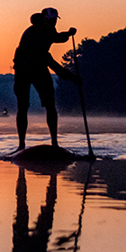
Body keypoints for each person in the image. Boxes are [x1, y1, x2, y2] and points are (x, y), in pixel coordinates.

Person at [13, 8, 80, 151]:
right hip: (24, 68)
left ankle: (54, 143)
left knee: (50, 105)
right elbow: (48, 60)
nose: (54, 23)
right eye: (51, 20)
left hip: (39, 66)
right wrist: (70, 77)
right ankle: (21, 145)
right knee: (23, 106)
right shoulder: (33, 33)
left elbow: (57, 37)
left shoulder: (49, 30)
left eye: (55, 20)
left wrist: (68, 34)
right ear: (44, 19)